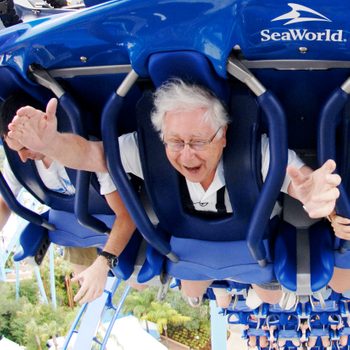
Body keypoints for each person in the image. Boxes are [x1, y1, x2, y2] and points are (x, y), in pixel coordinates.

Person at [7, 80, 341, 307]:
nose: (186, 155)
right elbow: (93, 156)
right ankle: (214, 295)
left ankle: (251, 294)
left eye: (198, 142)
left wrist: (325, 207)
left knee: (279, 294)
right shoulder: (150, 150)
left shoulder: (260, 154)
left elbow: (305, 184)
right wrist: (51, 144)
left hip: (251, 239)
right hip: (191, 236)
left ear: (223, 135)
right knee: (192, 290)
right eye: (175, 142)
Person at [0, 92, 136, 305]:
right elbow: (3, 204)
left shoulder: (83, 151)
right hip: (71, 222)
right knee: (85, 288)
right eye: (15, 150)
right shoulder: (20, 163)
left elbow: (126, 215)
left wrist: (104, 263)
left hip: (107, 216)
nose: (22, 157)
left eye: (26, 146)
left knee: (138, 282)